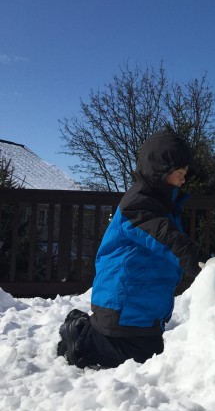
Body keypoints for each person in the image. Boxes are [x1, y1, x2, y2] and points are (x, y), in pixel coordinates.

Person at [57, 130, 206, 369]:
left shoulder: (162, 204)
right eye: (180, 174)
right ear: (162, 171)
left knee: (153, 352)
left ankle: (93, 331)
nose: (183, 180)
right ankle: (82, 337)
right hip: (123, 304)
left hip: (142, 307)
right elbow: (165, 238)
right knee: (142, 359)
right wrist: (195, 259)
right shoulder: (137, 205)